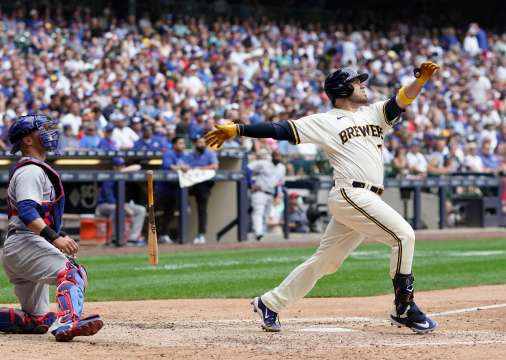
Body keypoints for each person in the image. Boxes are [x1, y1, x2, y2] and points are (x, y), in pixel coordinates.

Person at [206, 63, 441, 334]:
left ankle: (270, 303)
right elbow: (279, 129)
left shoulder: (374, 113)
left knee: (326, 262)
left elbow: (403, 98)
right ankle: (404, 309)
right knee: (404, 236)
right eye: (356, 81)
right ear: (342, 89)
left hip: (365, 198)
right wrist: (238, 129)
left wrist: (421, 80)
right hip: (350, 193)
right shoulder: (325, 120)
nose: (363, 84)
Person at [0, 115, 103, 341]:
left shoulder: (34, 168)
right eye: (43, 130)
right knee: (73, 273)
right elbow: (27, 213)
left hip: (22, 245)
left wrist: (57, 234)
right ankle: (69, 320)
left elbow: (35, 215)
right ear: (27, 140)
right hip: (26, 243)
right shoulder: (31, 170)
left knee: (39, 322)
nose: (50, 134)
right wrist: (54, 238)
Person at [95, 157, 146, 246]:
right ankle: (115, 237)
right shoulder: (109, 178)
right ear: (114, 167)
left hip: (120, 204)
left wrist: (122, 171)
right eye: (120, 166)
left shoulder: (123, 174)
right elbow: (111, 200)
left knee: (141, 210)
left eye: (123, 165)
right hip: (103, 206)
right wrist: (126, 209)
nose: (122, 167)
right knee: (116, 208)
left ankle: (132, 239)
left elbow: (138, 166)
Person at [154, 136, 189, 244]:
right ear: (174, 144)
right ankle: (141, 234)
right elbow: (167, 165)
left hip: (174, 190)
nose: (182, 145)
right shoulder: (169, 153)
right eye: (179, 143)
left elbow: (188, 166)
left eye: (183, 143)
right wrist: (181, 168)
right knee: (152, 211)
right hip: (162, 189)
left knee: (169, 214)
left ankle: (164, 235)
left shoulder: (184, 155)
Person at [185, 134, 219, 244]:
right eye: (200, 142)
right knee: (176, 196)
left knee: (202, 209)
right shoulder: (190, 155)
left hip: (204, 185)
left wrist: (199, 168)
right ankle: (187, 205)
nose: (202, 144)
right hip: (190, 184)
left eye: (203, 142)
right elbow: (184, 166)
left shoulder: (209, 153)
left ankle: (201, 234)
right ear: (195, 144)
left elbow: (215, 166)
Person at [246, 150, 286, 241]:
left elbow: (282, 183)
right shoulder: (263, 163)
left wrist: (277, 194)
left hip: (271, 194)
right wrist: (251, 183)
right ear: (272, 156)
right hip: (260, 192)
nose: (279, 158)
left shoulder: (282, 168)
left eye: (280, 156)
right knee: (258, 212)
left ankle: (259, 235)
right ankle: (258, 234)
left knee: (266, 216)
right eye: (277, 156)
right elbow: (248, 168)